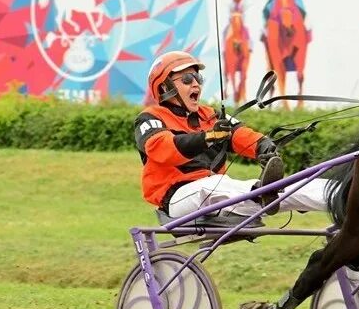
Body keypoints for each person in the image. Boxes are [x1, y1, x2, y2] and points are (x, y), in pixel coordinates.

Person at [134, 50, 328, 218]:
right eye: (186, 79)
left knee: (289, 188)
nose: (196, 85)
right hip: (179, 197)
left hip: (222, 195)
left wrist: (263, 145)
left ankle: (341, 195)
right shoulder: (151, 117)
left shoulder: (210, 115)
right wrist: (208, 137)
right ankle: (261, 192)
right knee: (216, 186)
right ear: (165, 87)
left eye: (198, 78)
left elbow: (240, 134)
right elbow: (163, 148)